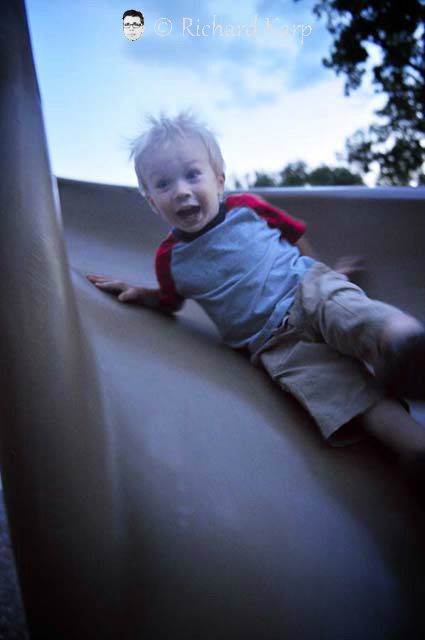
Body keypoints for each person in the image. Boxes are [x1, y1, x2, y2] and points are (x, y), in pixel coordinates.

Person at [87, 111, 425, 498]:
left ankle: (408, 346)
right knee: (342, 394)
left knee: (355, 313)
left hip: (306, 287)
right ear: (151, 201)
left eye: (192, 175)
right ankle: (413, 446)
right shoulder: (170, 260)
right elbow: (170, 302)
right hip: (275, 345)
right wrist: (143, 294)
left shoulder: (247, 207)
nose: (181, 191)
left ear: (218, 179)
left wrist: (328, 272)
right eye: (163, 183)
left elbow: (294, 236)